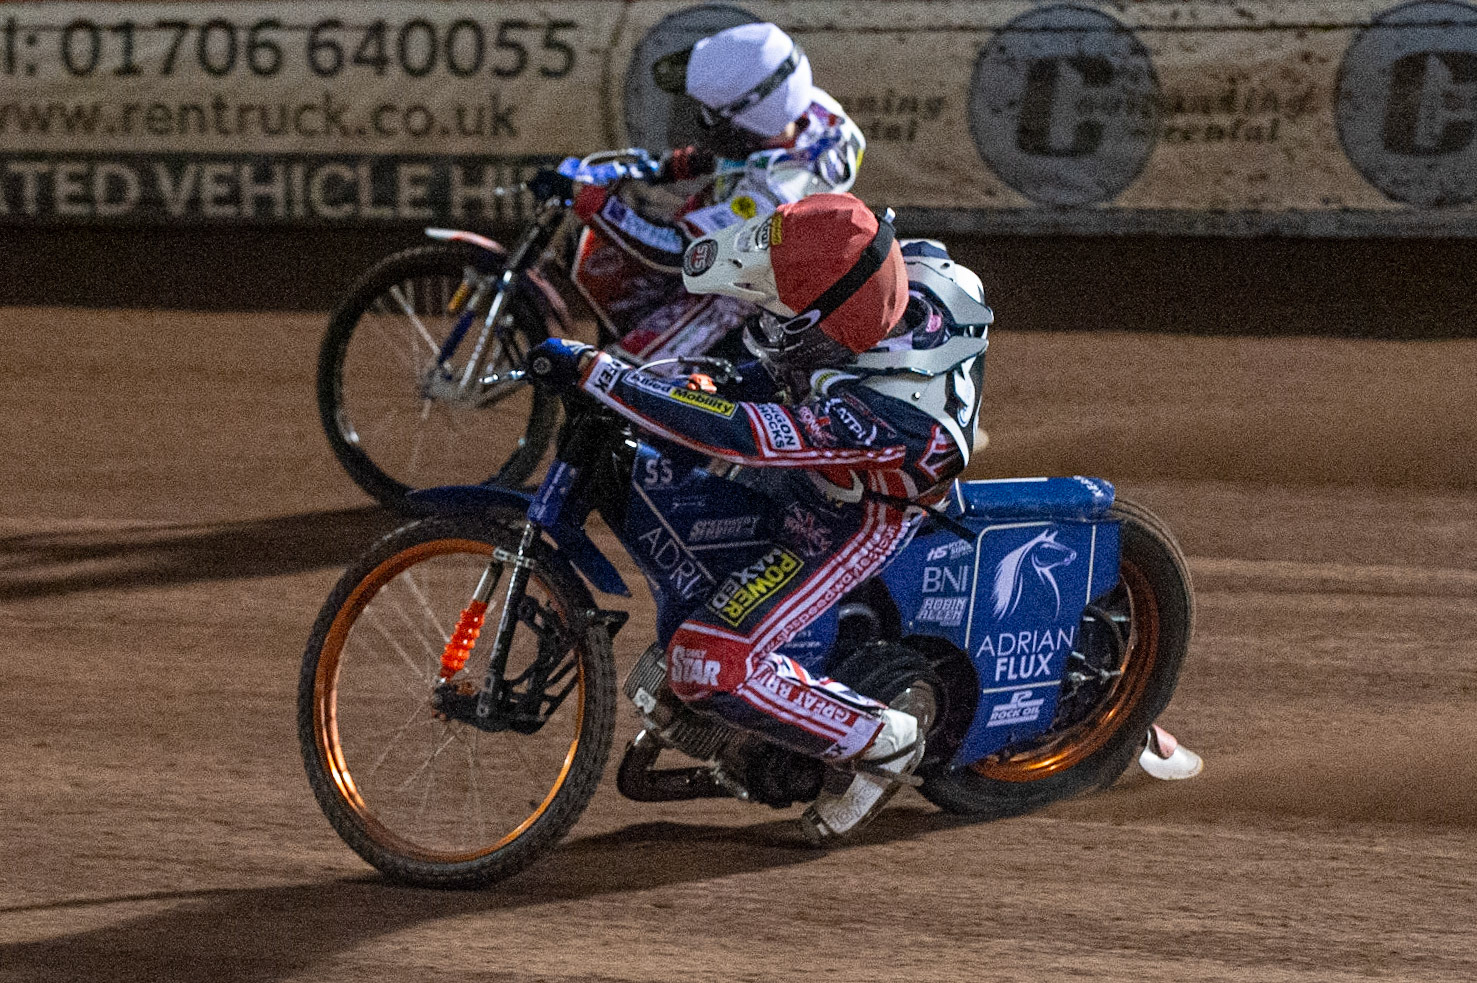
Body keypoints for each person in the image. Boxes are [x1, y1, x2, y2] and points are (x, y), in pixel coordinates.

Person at [529, 193, 987, 840]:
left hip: (855, 516)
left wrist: (604, 375)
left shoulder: (884, 412)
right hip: (837, 439)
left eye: (787, 313)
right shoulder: (912, 268)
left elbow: (745, 437)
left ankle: (883, 740)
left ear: (834, 322)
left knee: (702, 661)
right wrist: (734, 372)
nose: (769, 319)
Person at [569, 22, 868, 366]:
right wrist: (668, 167)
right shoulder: (812, 111)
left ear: (753, 112)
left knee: (617, 374)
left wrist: (596, 205)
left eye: (714, 114)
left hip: (741, 286)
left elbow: (678, 252)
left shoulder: (777, 189)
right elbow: (743, 152)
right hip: (747, 242)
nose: (703, 120)